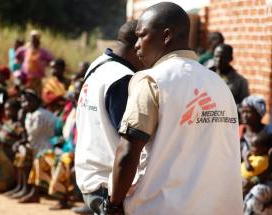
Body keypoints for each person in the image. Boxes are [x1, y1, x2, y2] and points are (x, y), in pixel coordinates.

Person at [108, 3, 243, 215]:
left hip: (162, 207)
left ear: (166, 36)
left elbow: (127, 152)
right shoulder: (219, 85)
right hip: (220, 208)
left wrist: (114, 205)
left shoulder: (152, 81)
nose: (136, 45)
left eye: (142, 35)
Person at [75, 20, 144, 214]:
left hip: (90, 175)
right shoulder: (123, 78)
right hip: (109, 184)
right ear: (138, 45)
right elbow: (131, 140)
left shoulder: (97, 64)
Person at [16, 30, 54, 95]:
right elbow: (18, 54)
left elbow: (51, 59)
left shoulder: (42, 51)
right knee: (25, 93)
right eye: (32, 38)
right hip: (26, 78)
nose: (33, 40)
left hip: (37, 79)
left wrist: (45, 65)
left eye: (35, 38)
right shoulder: (26, 49)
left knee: (36, 95)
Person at [242, 129, 272, 194]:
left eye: (254, 147)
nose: (251, 148)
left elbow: (250, 169)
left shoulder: (262, 160)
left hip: (251, 181)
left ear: (264, 149)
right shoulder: (256, 155)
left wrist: (245, 157)